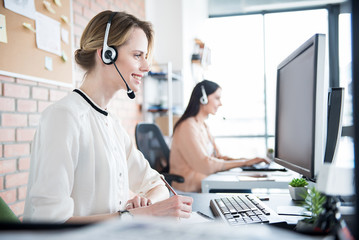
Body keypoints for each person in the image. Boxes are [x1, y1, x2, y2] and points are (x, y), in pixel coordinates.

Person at [24, 10, 192, 223]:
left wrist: (146, 203)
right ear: (106, 54)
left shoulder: (111, 124)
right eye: (137, 55)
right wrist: (135, 216)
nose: (147, 67)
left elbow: (157, 184)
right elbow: (50, 223)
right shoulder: (64, 117)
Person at [169, 80, 270, 192]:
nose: (220, 103)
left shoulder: (203, 125)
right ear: (204, 98)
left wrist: (249, 161)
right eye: (217, 98)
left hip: (207, 180)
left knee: (245, 184)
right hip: (192, 187)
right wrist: (243, 163)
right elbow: (205, 165)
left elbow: (218, 157)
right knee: (244, 190)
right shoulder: (187, 127)